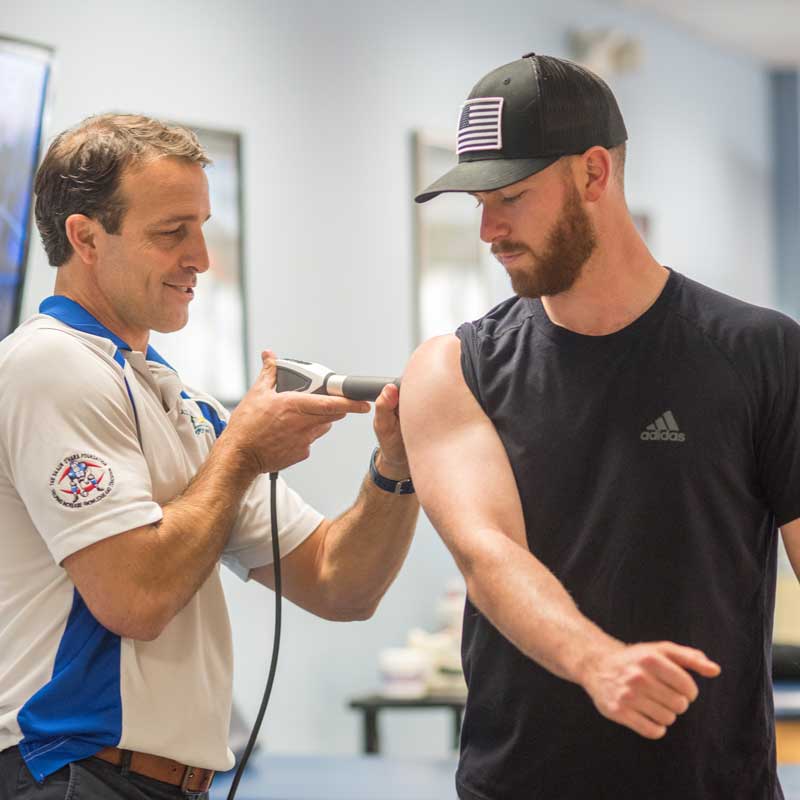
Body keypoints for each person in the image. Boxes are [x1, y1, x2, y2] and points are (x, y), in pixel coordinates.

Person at [400, 52, 800, 799]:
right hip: (520, 784)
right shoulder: (453, 368)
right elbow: (489, 558)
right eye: (476, 202)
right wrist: (599, 662)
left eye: (511, 196)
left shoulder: (761, 352)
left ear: (593, 173)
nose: (488, 228)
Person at [0, 113, 419, 800]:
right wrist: (245, 453)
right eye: (172, 233)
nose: (201, 257)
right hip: (70, 769)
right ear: (85, 238)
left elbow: (341, 583)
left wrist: (397, 465)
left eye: (202, 227)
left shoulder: (180, 401)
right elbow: (135, 598)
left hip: (165, 782)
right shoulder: (51, 366)